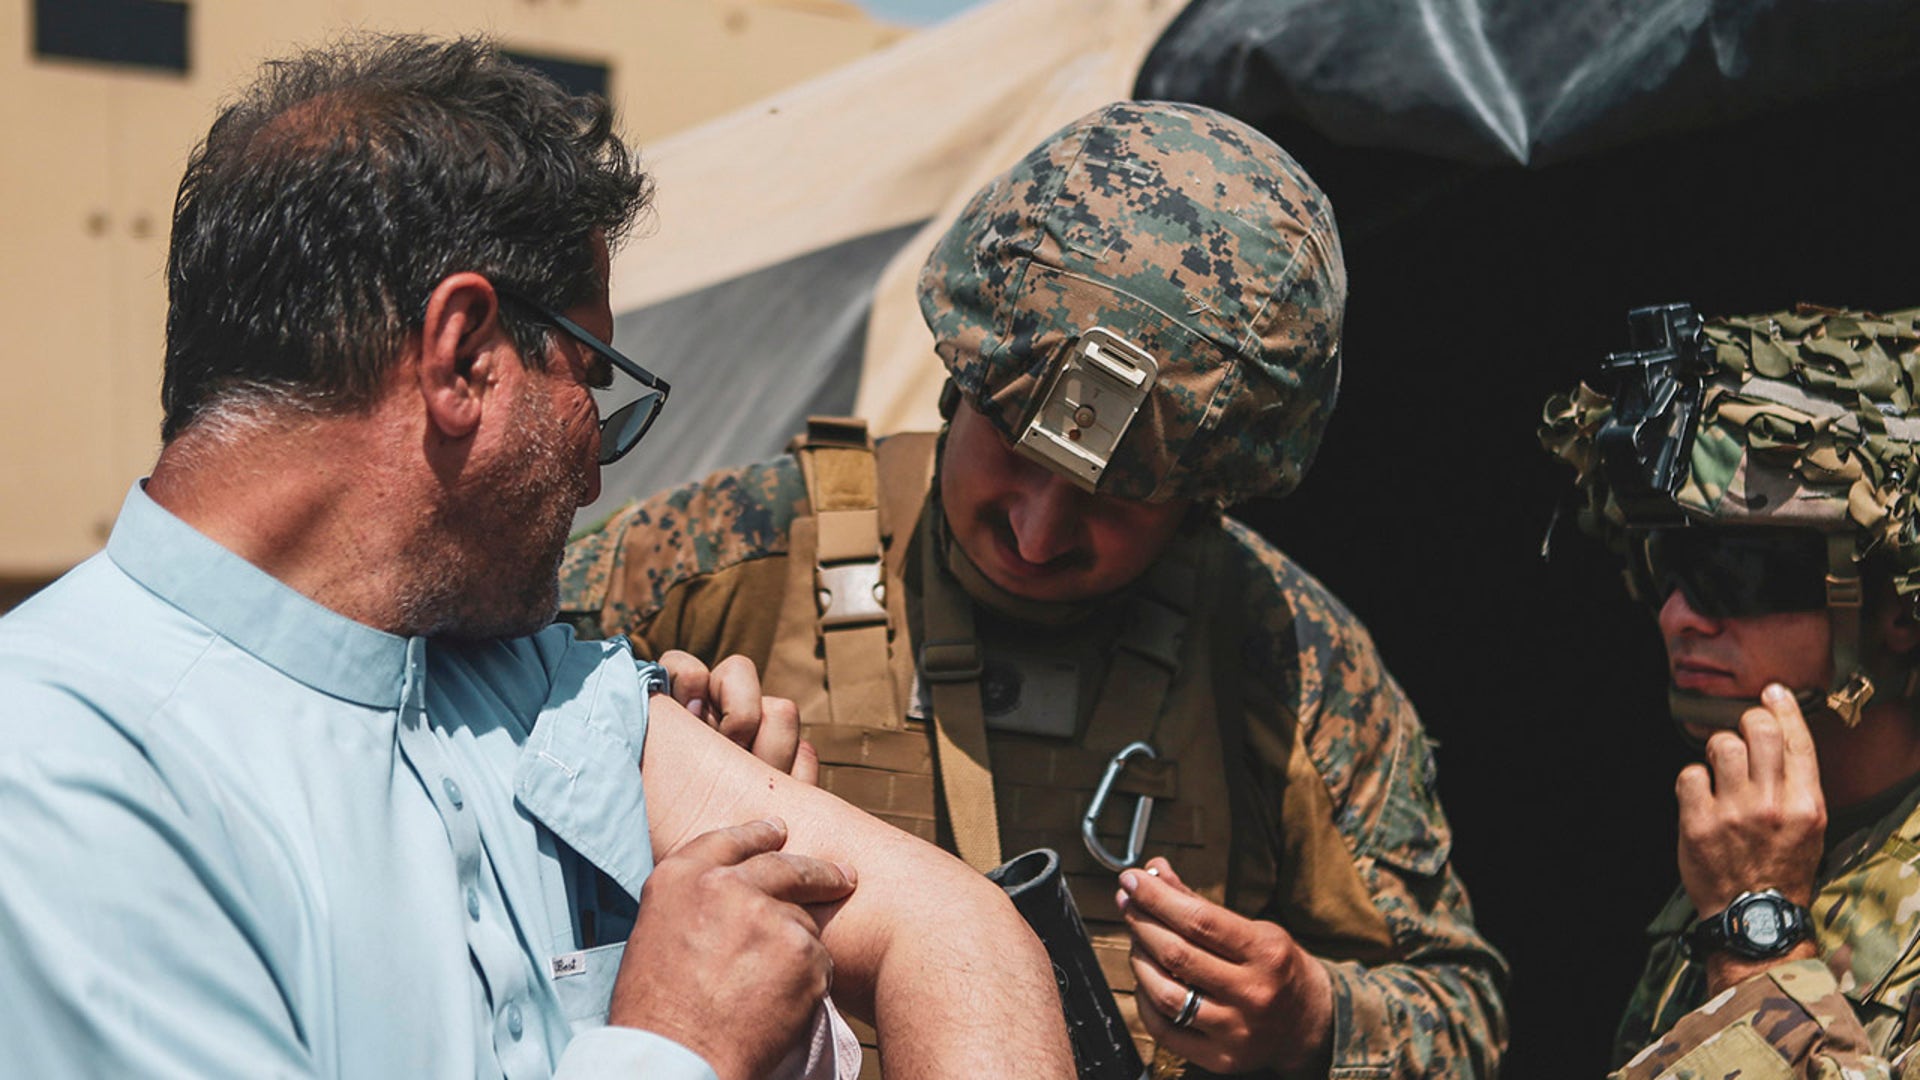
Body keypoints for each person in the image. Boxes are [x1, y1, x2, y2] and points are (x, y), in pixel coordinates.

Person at [0, 35, 1075, 1080]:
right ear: (465, 357)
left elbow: (957, 933)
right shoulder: (57, 777)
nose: (597, 474)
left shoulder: (512, 680)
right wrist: (674, 1044)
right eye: (593, 381)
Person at [559, 101, 1508, 1078]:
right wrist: (653, 790)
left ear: (1204, 502)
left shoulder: (1285, 654)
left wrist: (1314, 1016)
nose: (1037, 530)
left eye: (1120, 498)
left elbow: (1459, 1007)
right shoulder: (714, 561)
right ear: (957, 379)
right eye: (1014, 451)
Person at [1541, 302, 1920, 1077]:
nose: (1679, 614)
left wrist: (1759, 940)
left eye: (1736, 571)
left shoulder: (1748, 876)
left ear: (1899, 610)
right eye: (1664, 568)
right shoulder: (1737, 849)